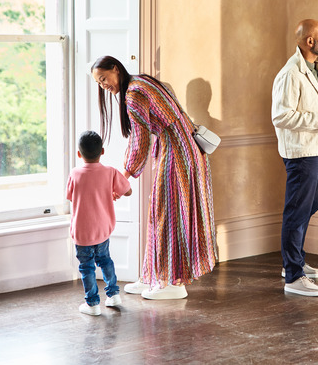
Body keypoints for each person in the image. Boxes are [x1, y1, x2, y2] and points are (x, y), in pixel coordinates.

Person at [91, 56, 217, 300]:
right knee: (163, 212)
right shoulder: (141, 81)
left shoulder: (133, 94)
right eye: (99, 83)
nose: (103, 85)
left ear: (115, 69)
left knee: (168, 214)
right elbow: (141, 136)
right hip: (184, 146)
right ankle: (153, 275)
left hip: (177, 150)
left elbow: (140, 141)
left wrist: (123, 177)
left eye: (104, 79)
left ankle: (173, 282)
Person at [272, 19, 318, 297]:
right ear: (309, 42)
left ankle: (296, 262)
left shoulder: (315, 68)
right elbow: (280, 116)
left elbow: (308, 106)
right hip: (301, 153)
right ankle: (293, 275)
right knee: (297, 211)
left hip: (316, 148)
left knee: (310, 205)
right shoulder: (290, 73)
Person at [66, 130, 132, 315]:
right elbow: (128, 191)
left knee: (86, 267)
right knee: (105, 260)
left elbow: (70, 197)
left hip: (82, 232)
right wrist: (113, 192)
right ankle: (113, 294)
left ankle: (93, 304)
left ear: (79, 154)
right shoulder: (110, 172)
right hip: (102, 229)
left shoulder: (75, 174)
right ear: (102, 151)